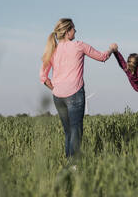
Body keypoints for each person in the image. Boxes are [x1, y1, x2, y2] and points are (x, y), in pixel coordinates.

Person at [40, 18, 114, 158]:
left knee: (68, 131)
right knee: (76, 130)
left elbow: (43, 77)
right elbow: (102, 57)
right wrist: (112, 48)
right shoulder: (79, 46)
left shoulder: (52, 50)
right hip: (75, 94)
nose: (76, 31)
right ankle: (74, 166)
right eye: (73, 28)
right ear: (68, 32)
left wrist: (56, 89)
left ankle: (69, 162)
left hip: (57, 97)